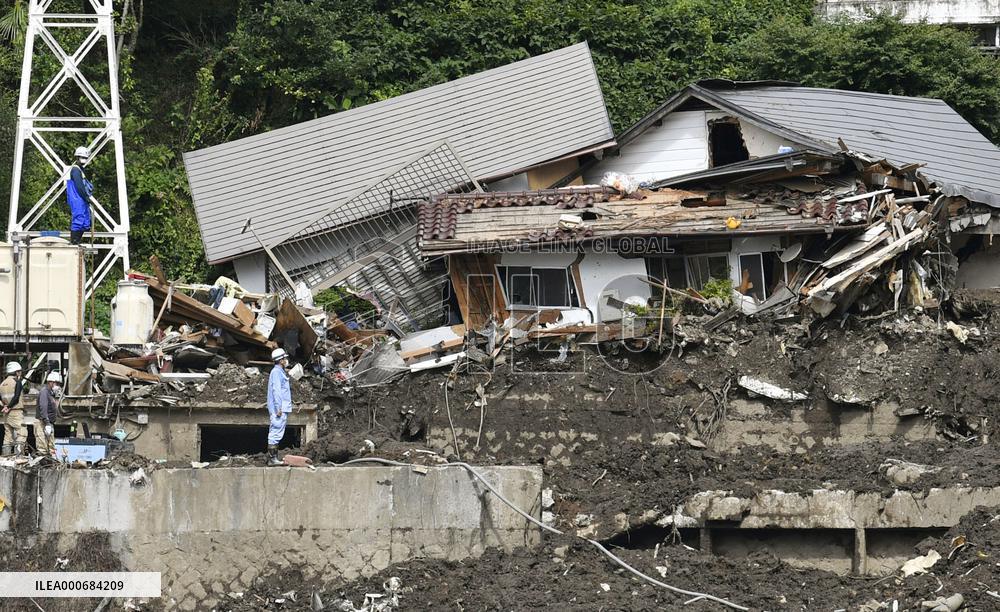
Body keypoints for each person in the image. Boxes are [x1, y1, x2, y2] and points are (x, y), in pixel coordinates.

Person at [266, 348, 292, 466]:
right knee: (275, 432)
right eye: (284, 358)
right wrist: (278, 408)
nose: (286, 360)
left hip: (282, 407)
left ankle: (273, 458)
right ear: (280, 360)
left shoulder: (279, 372)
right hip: (279, 409)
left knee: (277, 431)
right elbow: (276, 391)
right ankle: (272, 459)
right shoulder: (276, 372)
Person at [66, 146, 94, 245]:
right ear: (77, 157)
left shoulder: (81, 170)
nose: (84, 160)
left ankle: (77, 241)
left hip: (82, 199)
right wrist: (86, 197)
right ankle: (74, 241)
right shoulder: (75, 170)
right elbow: (79, 186)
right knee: (79, 219)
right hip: (78, 198)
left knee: (85, 221)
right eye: (82, 157)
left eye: (85, 158)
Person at [0, 362, 27, 455]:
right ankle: (18, 457)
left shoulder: (2, 383)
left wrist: (4, 406)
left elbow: (1, 398)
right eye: (19, 371)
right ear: (16, 372)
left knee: (8, 436)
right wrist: (9, 406)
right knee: (21, 433)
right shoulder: (17, 382)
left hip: (6, 414)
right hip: (15, 411)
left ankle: (6, 457)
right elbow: (16, 397)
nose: (20, 373)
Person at [36, 371, 61, 457]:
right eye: (56, 383)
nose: (58, 385)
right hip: (42, 422)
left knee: (51, 445)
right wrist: (47, 423)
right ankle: (42, 463)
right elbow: (43, 408)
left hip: (49, 422)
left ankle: (51, 462)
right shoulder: (44, 392)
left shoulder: (51, 393)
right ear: (50, 382)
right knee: (42, 445)